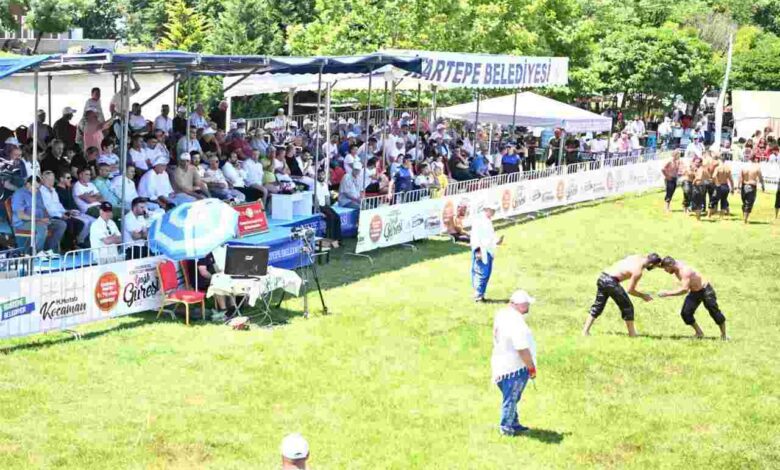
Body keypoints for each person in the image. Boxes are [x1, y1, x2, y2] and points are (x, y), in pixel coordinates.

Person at [582, 253, 662, 337]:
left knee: (598, 306)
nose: (654, 268)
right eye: (654, 266)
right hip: (611, 282)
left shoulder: (636, 257)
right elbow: (630, 290)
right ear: (651, 264)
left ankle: (585, 332)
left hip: (602, 277)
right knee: (627, 307)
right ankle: (632, 334)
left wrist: (659, 263)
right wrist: (643, 296)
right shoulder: (638, 271)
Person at [491, 290, 537, 436]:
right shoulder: (517, 324)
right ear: (521, 305)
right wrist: (531, 367)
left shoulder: (502, 314)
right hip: (515, 368)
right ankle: (506, 428)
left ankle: (514, 423)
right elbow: (522, 348)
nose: (529, 307)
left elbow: (495, 333)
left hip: (501, 364)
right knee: (511, 398)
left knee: (511, 397)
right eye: (527, 304)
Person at [657, 257, 728, 340]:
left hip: (705, 290)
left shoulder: (684, 271)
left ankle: (724, 335)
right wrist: (651, 263)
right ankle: (699, 333)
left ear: (670, 265)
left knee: (714, 312)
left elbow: (684, 290)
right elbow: (662, 263)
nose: (665, 271)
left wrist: (667, 293)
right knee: (685, 313)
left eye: (666, 269)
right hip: (694, 292)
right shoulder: (673, 264)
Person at [11, 176, 67, 254]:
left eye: (38, 188)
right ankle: (37, 253)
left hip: (40, 220)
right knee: (42, 227)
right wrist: (39, 220)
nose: (37, 190)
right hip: (23, 223)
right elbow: (21, 215)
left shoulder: (37, 192)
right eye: (35, 188)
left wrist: (47, 218)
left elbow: (43, 208)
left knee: (61, 224)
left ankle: (48, 250)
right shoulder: (19, 194)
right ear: (28, 184)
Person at [470, 201, 504, 302]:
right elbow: (475, 236)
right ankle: (478, 295)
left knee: (486, 273)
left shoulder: (487, 221)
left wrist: (497, 241)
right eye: (492, 210)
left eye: (494, 210)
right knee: (481, 273)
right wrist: (478, 250)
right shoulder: (479, 221)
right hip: (481, 250)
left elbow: (490, 236)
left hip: (488, 250)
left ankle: (481, 294)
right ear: (486, 210)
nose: (493, 212)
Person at [315, 169, 341, 247]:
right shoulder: (315, 184)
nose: (321, 176)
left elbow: (327, 197)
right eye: (319, 174)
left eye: (322, 174)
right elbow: (315, 198)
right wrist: (318, 211)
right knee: (331, 218)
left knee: (337, 217)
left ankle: (337, 240)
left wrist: (329, 208)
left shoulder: (325, 185)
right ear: (316, 175)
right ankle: (330, 241)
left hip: (325, 206)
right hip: (319, 206)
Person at [738, 154, 765, 224]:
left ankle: (744, 218)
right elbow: (760, 178)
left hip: (744, 185)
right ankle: (745, 220)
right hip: (752, 185)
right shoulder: (756, 167)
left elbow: (740, 177)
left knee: (744, 202)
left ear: (748, 158)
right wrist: (763, 186)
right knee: (749, 203)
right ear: (755, 159)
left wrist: (738, 187)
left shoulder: (743, 166)